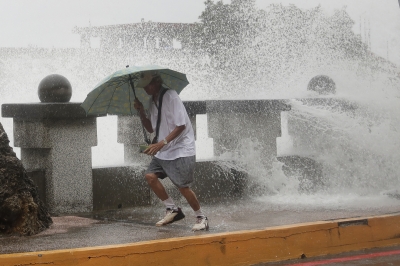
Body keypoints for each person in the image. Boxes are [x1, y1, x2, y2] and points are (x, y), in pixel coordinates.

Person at [133, 71, 209, 231]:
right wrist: (140, 110)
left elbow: (181, 125)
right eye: (144, 87)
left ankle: (201, 217)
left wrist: (162, 143)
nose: (145, 89)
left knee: (182, 186)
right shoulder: (151, 102)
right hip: (164, 150)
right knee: (150, 177)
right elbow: (151, 127)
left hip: (181, 148)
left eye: (147, 86)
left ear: (155, 83)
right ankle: (173, 209)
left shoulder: (171, 96)